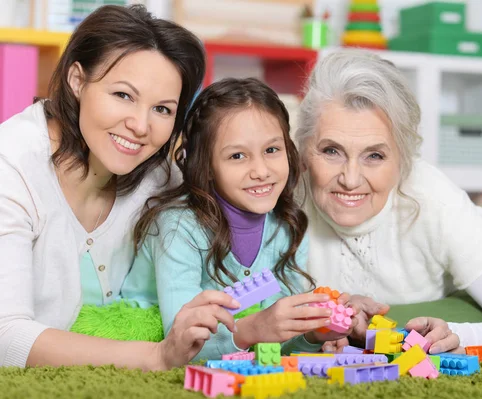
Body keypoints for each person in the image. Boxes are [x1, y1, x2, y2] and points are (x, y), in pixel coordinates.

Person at [0, 4, 239, 370]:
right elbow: (6, 336)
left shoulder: (159, 175)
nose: (141, 126)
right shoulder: (11, 165)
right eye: (123, 95)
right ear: (77, 80)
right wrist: (157, 357)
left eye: (162, 109)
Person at [295, 50, 482, 356]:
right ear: (304, 151)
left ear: (403, 160)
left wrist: (456, 336)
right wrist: (317, 330)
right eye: (331, 151)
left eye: (375, 155)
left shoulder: (432, 197)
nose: (351, 178)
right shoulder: (282, 203)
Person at [122, 77, 356, 360]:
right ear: (206, 166)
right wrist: (254, 328)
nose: (261, 170)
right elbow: (181, 343)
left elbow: (274, 347)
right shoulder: (178, 227)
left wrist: (311, 335)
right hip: (144, 342)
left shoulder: (287, 229)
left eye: (271, 150)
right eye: (237, 156)